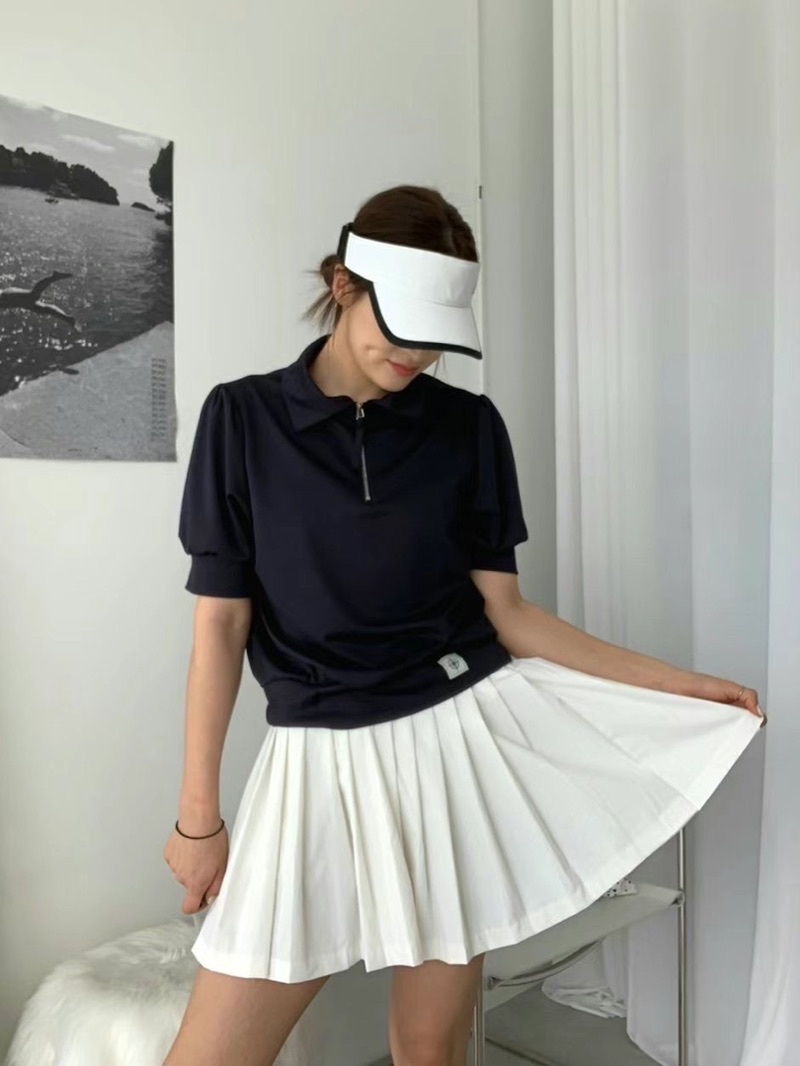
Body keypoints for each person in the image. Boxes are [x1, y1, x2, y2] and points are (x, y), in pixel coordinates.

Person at [162, 185, 766, 1066]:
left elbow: (508, 615)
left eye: (435, 336)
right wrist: (198, 819)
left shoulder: (467, 427)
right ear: (343, 285)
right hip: (315, 756)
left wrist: (682, 684)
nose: (416, 355)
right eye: (400, 327)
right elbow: (220, 624)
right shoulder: (242, 418)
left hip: (452, 749)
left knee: (432, 1048)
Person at [0, 271, 80, 330]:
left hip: (6, 296)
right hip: (12, 301)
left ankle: (54, 277)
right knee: (42, 309)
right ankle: (68, 319)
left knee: (33, 295)